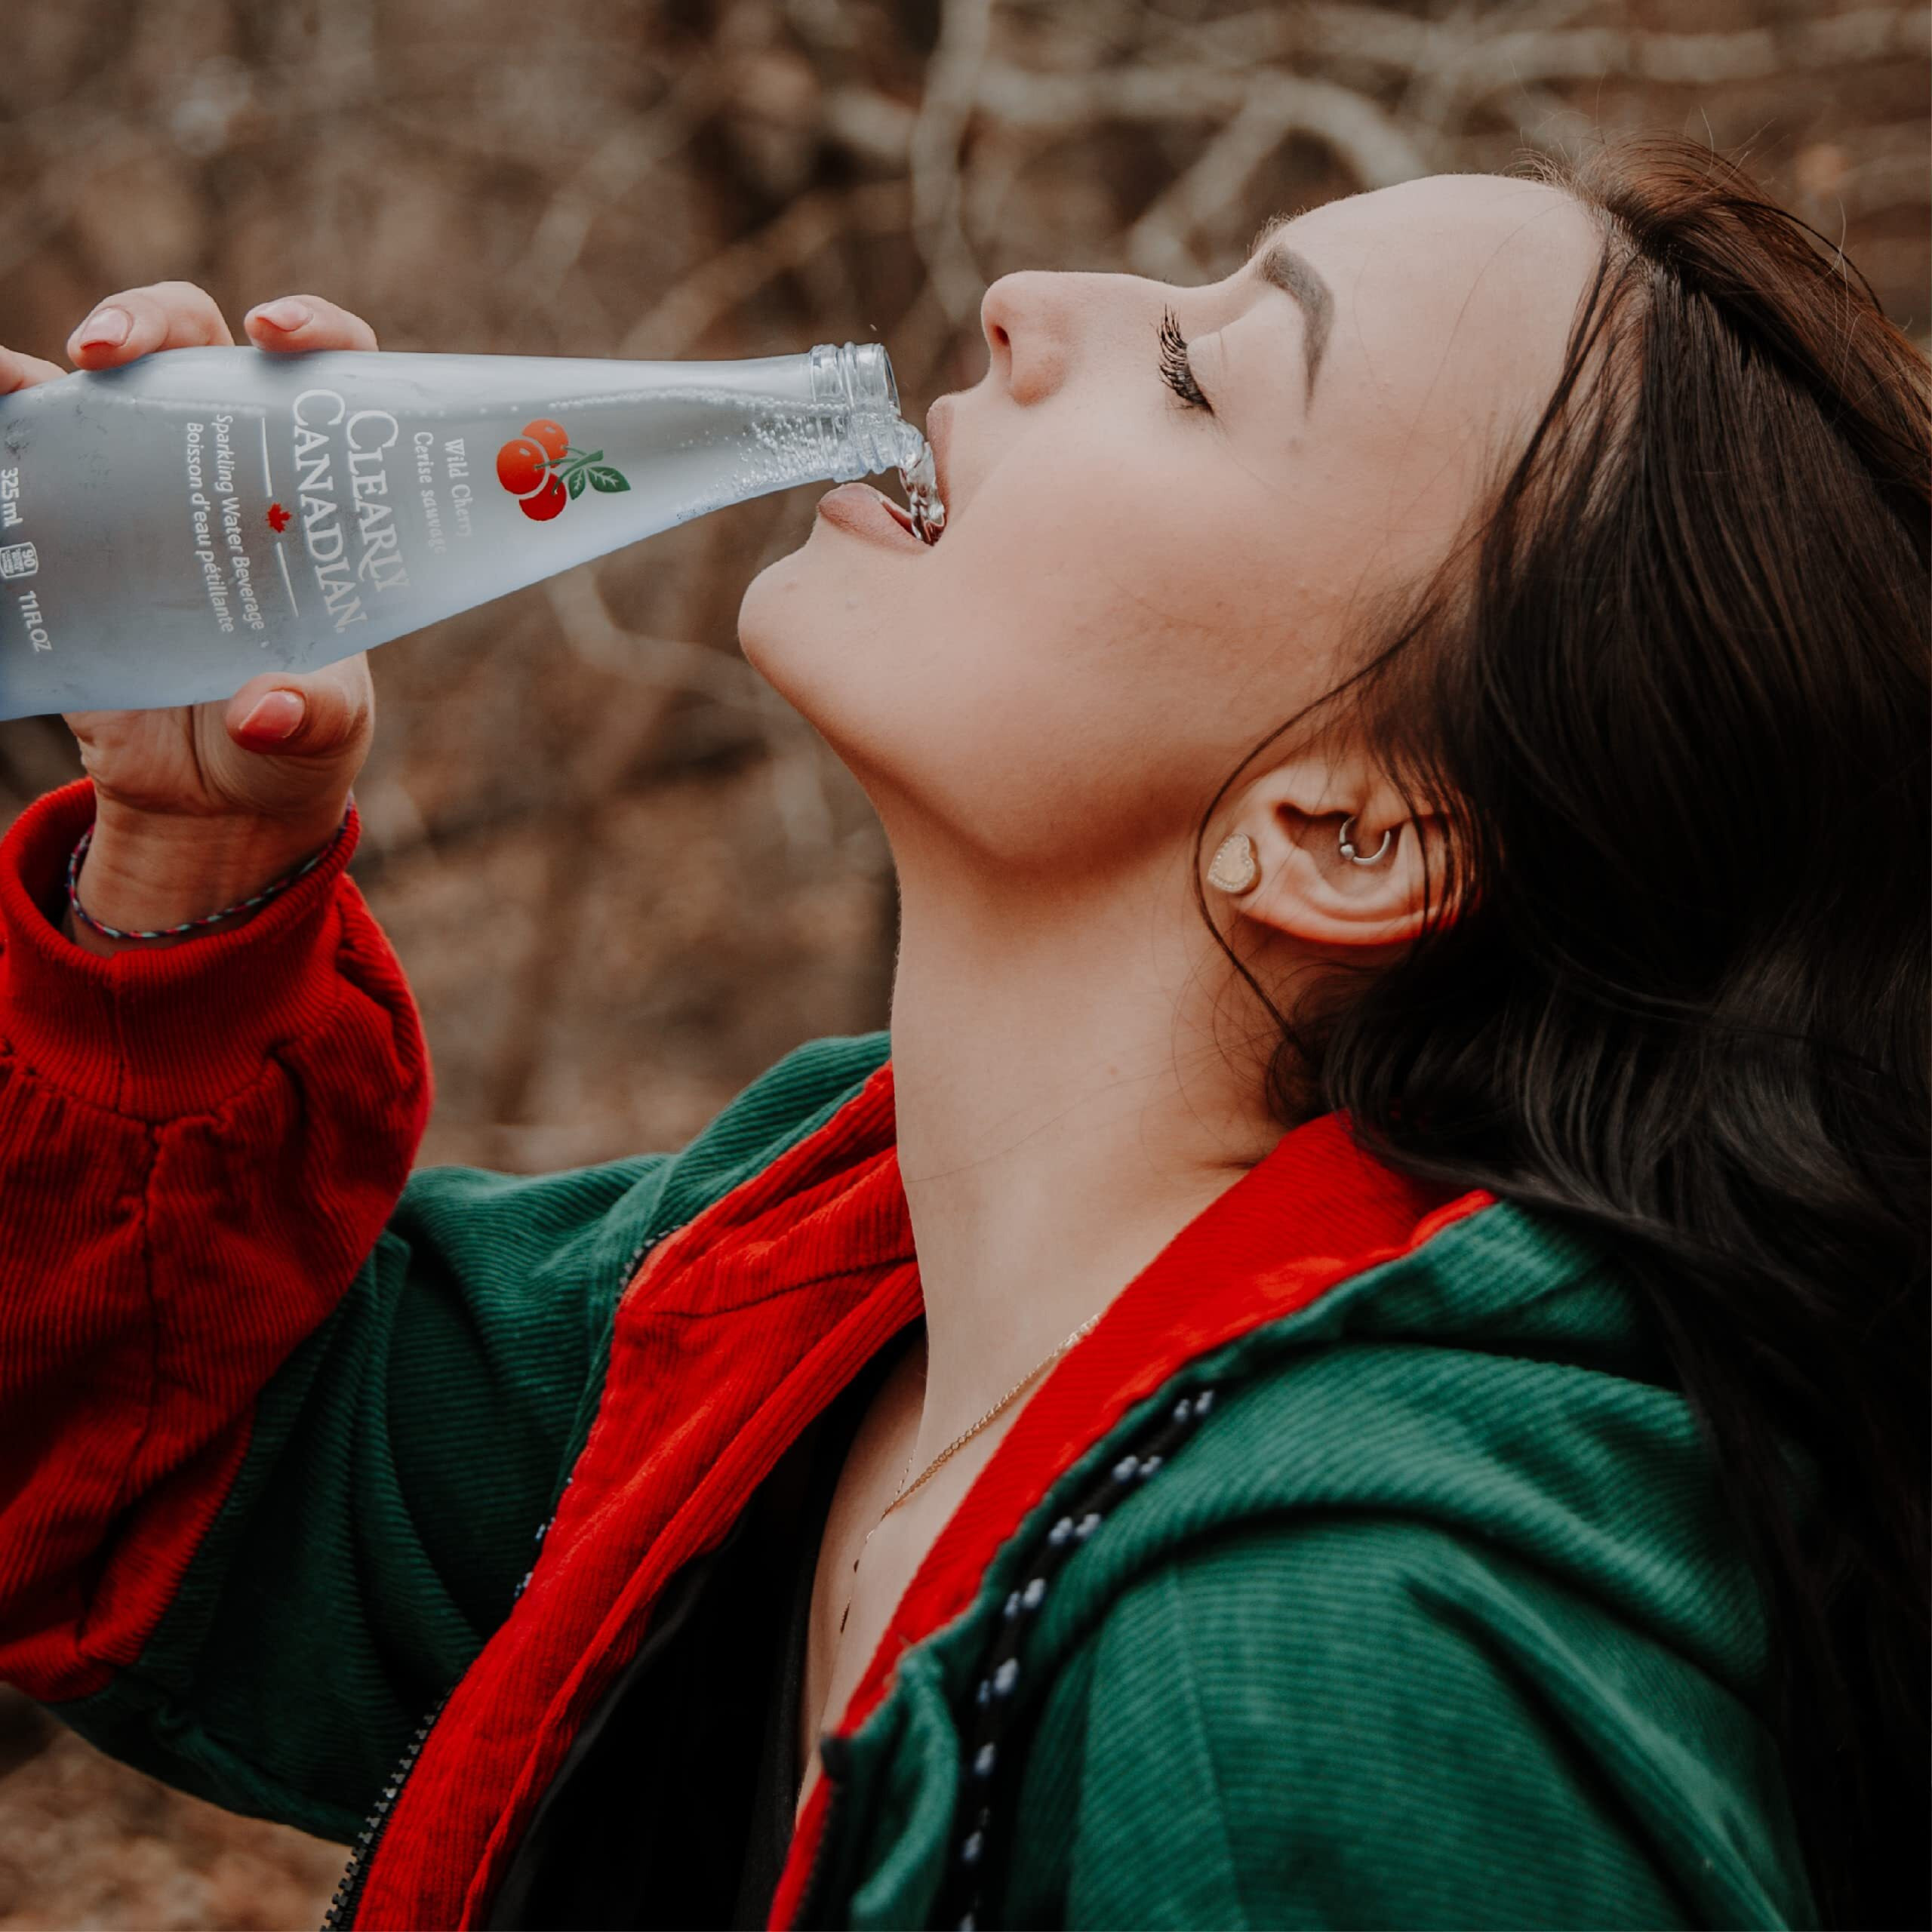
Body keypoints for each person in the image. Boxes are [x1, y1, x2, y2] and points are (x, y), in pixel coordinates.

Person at [0, 136, 1923, 1931]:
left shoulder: (1323, 1691)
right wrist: (184, 866)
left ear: (1345, 834)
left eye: (1195, 373)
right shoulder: (810, 1278)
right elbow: (163, 1479)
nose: (1026, 298)